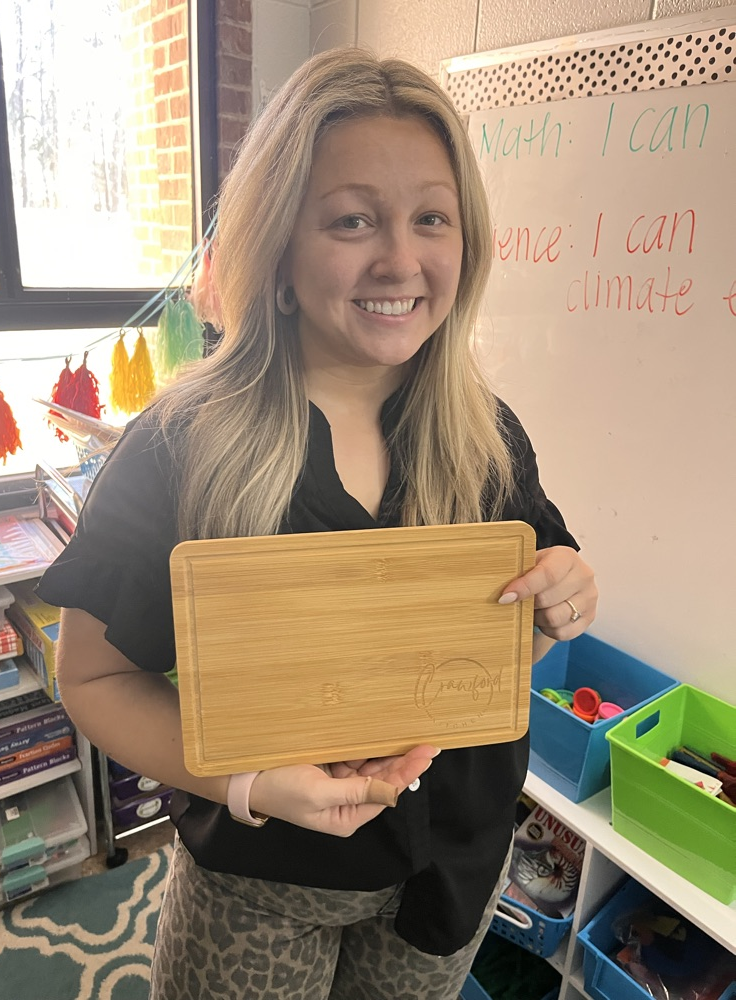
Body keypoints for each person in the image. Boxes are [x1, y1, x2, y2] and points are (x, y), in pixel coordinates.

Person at [38, 47, 598, 1000]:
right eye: (352, 220)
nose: (400, 258)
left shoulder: (486, 435)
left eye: (432, 217)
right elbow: (89, 676)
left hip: (451, 870)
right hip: (262, 882)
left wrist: (565, 594)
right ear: (281, 249)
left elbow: (511, 621)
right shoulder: (180, 445)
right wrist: (249, 782)